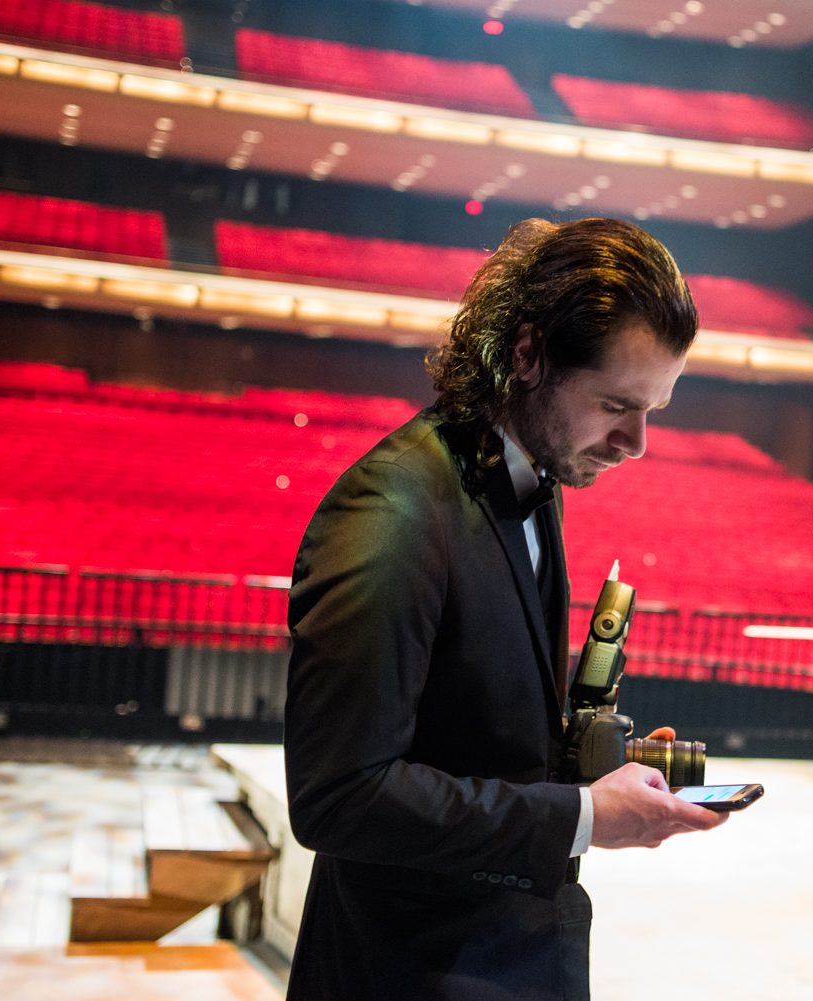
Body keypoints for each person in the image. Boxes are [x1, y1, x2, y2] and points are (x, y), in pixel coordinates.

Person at [282, 217, 726, 1001]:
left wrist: (588, 761)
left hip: (499, 949)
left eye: (654, 407)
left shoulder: (534, 469)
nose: (637, 441)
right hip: (409, 967)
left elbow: (469, 727)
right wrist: (582, 816)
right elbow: (341, 796)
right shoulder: (391, 513)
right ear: (527, 355)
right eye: (618, 404)